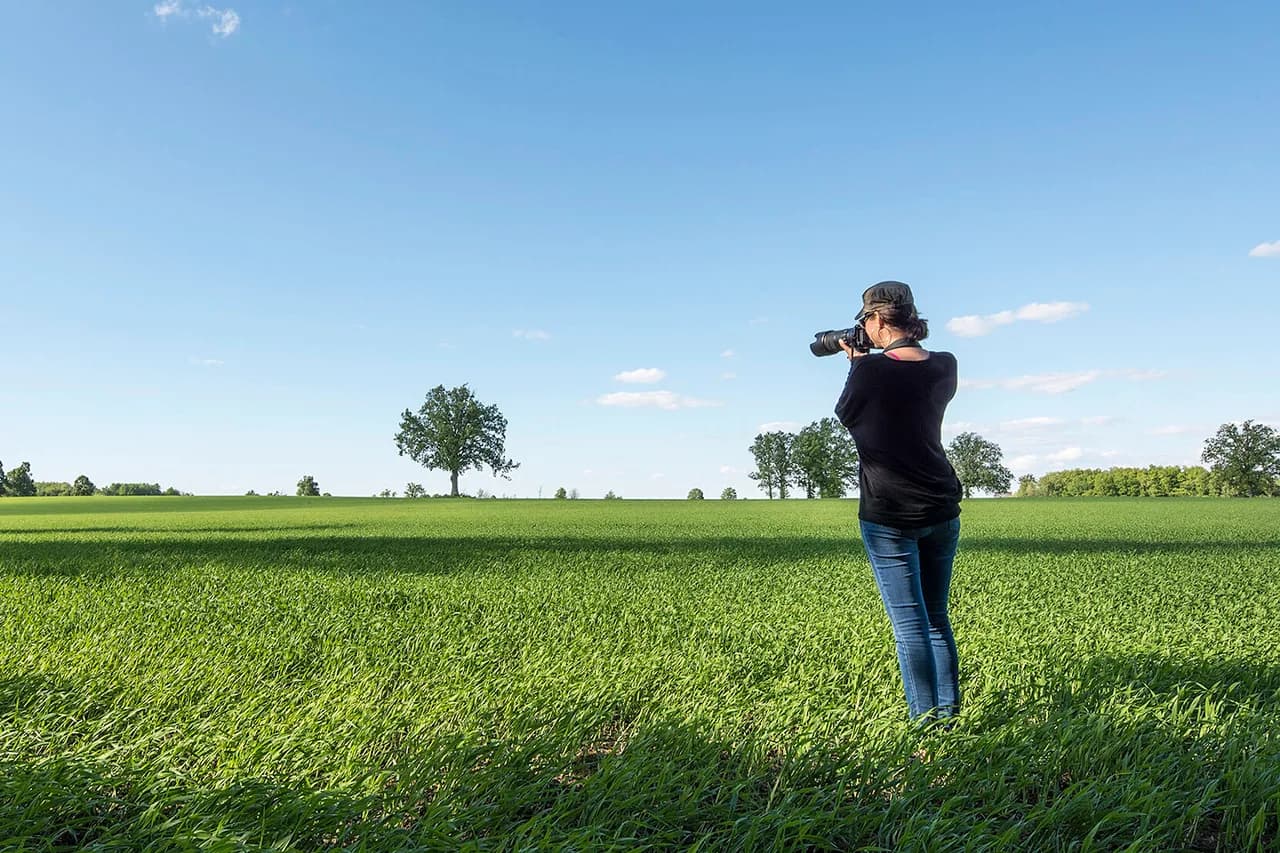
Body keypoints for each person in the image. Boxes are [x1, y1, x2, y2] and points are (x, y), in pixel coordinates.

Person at [834, 281, 965, 727]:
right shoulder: (945, 366)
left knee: (910, 628)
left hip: (889, 513)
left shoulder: (871, 372)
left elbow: (849, 415)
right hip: (942, 506)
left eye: (865, 321)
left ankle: (925, 728)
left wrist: (857, 365)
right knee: (936, 620)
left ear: (876, 321)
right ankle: (948, 719)